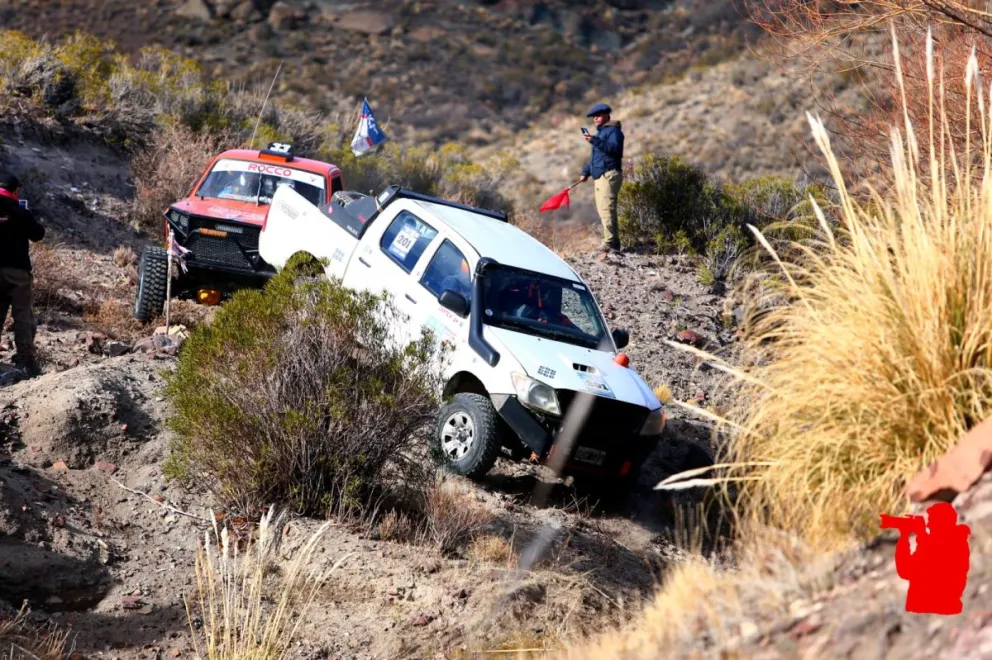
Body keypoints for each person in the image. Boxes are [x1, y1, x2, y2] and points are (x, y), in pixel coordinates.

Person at [0, 172, 45, 377]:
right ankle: (25, 361)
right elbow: (38, 234)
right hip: (17, 272)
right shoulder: (19, 211)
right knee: (22, 317)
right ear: (15, 190)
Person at [578, 102, 625, 253]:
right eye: (594, 117)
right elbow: (597, 158)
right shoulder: (601, 133)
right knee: (604, 210)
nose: (596, 119)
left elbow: (615, 151)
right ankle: (614, 244)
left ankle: (609, 243)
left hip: (608, 175)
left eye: (598, 116)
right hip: (600, 175)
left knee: (607, 209)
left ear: (606, 115)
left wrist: (594, 141)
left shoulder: (614, 132)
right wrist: (586, 172)